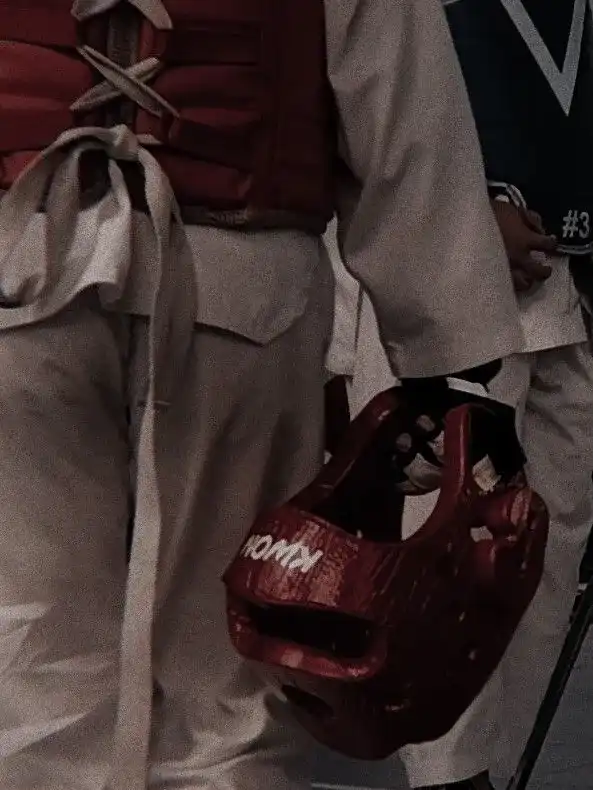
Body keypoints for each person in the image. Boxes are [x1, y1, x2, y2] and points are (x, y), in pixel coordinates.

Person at [0, 2, 524, 789]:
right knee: (227, 682)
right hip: (238, 286)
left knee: (30, 658)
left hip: (21, 269)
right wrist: (450, 358)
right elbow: (398, 96)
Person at [326, 1, 593, 788]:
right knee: (444, 537)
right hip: (443, 263)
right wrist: (457, 207)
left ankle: (490, 774)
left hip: (567, 274)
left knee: (546, 551)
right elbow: (363, 78)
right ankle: (447, 777)